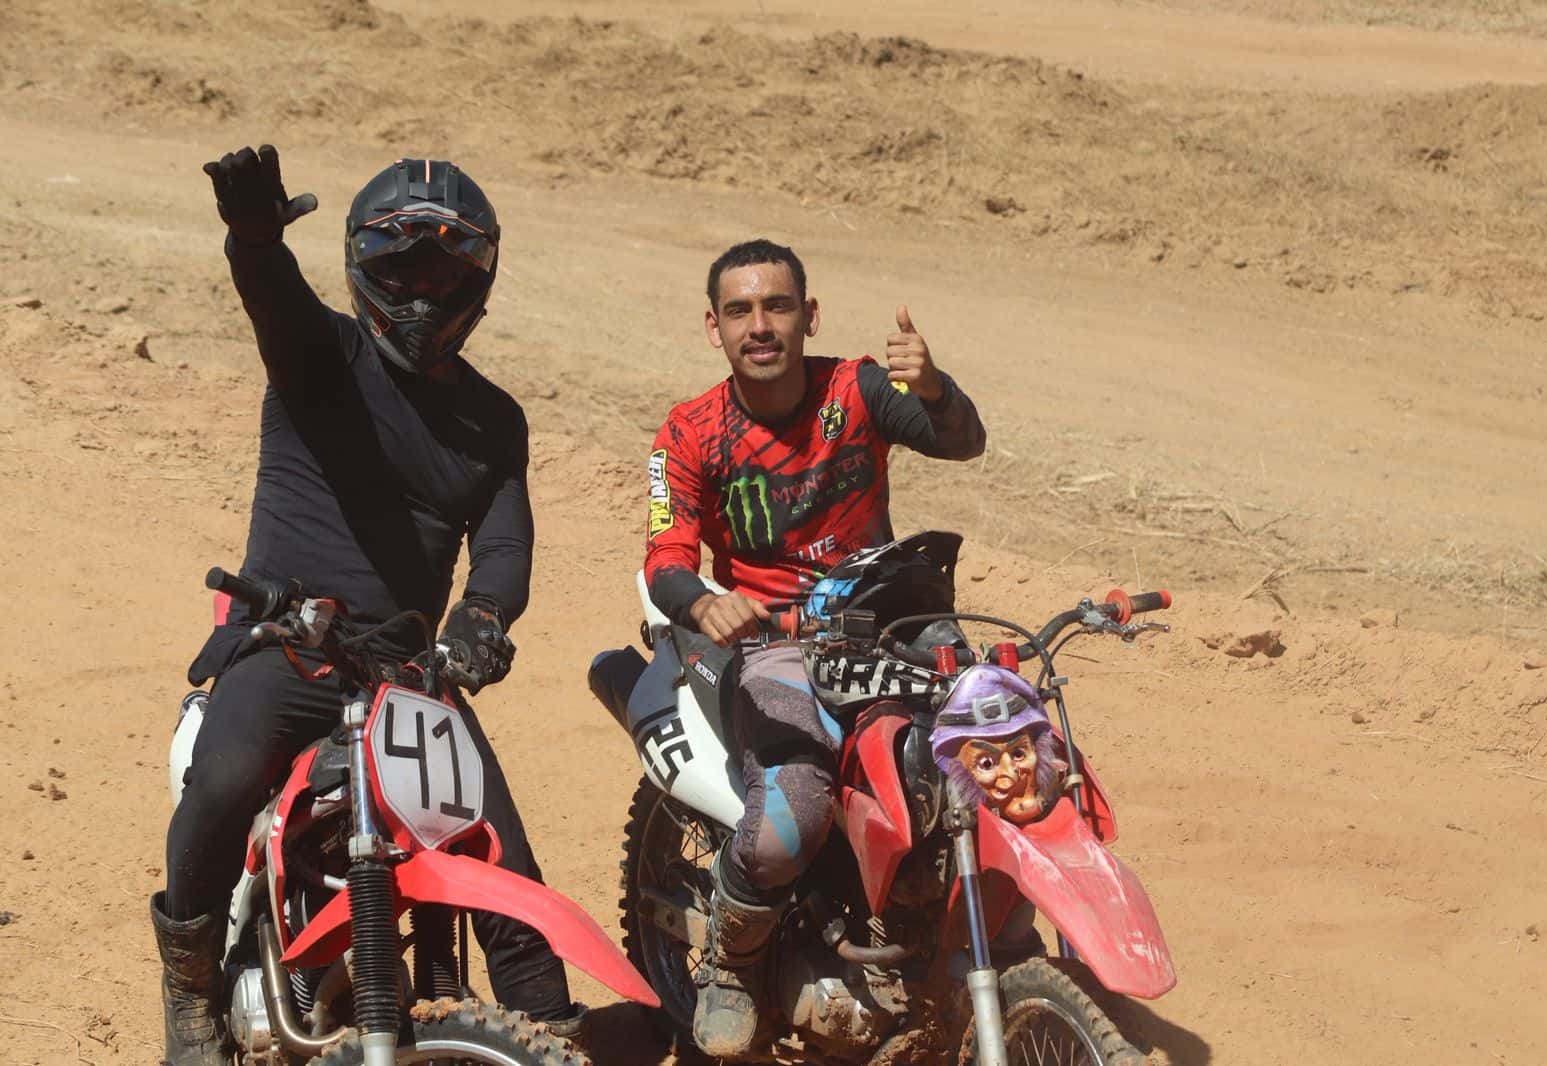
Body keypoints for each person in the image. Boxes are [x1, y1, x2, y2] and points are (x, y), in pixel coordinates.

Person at [152, 145, 581, 1065]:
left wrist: (481, 619)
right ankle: (189, 988)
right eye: (402, 270)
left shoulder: (495, 420)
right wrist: (254, 240)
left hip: (406, 669)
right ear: (362, 270)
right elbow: (274, 299)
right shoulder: (323, 358)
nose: (423, 295)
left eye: (444, 274)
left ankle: (547, 1028)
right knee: (224, 780)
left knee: (496, 840)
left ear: (479, 281)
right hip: (287, 644)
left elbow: (503, 546)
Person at [643, 238, 986, 1055]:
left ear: (810, 316)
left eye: (777, 306)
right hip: (774, 641)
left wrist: (934, 388)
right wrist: (707, 602)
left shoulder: (857, 390)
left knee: (982, 756)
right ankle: (732, 963)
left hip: (885, 621)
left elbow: (962, 441)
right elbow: (664, 557)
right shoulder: (689, 432)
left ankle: (942, 929)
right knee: (793, 812)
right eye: (740, 311)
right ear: (715, 328)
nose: (760, 326)